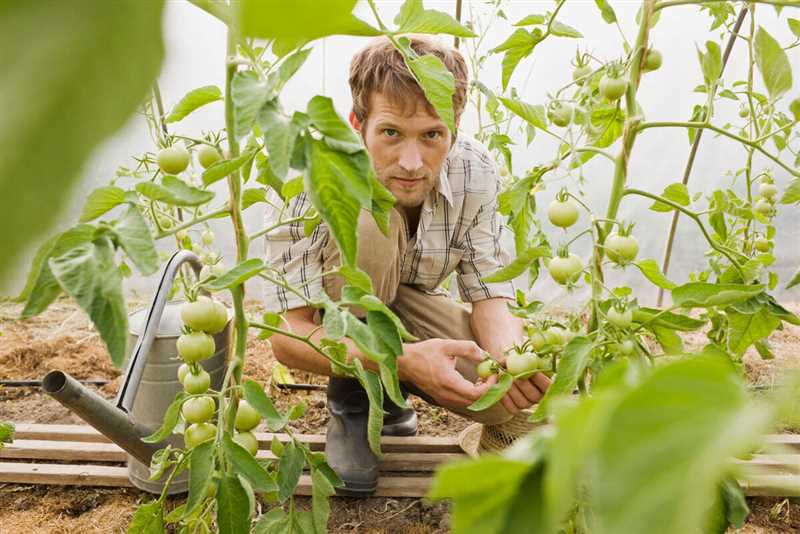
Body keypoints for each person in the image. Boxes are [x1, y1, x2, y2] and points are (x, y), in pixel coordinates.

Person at [263, 35, 552, 496]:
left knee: (505, 403)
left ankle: (394, 391)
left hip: (408, 306)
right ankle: (355, 404)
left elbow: (489, 294)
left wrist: (510, 361)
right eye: (391, 133)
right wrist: (404, 361)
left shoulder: (474, 170)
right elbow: (287, 333)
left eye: (432, 135)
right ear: (358, 124)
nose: (412, 163)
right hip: (338, 316)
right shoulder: (309, 177)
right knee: (367, 223)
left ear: (455, 126)